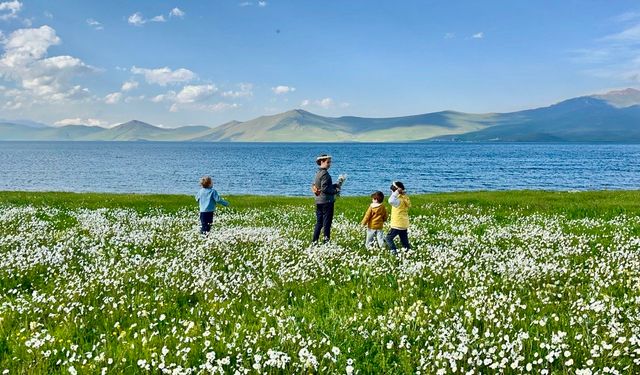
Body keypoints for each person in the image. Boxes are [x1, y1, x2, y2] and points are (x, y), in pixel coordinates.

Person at [311, 154, 340, 244]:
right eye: (328, 162)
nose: (329, 164)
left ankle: (314, 242)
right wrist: (335, 190)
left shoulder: (318, 173)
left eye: (330, 162)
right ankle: (326, 242)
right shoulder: (325, 174)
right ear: (322, 162)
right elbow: (325, 189)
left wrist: (334, 185)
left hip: (319, 201)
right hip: (327, 201)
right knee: (327, 223)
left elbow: (320, 186)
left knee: (319, 223)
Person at [385, 181, 411, 254]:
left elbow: (390, 200)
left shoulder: (398, 200)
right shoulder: (404, 198)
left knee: (388, 238)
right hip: (404, 224)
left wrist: (396, 192)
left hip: (397, 224)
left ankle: (393, 251)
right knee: (404, 241)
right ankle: (408, 251)